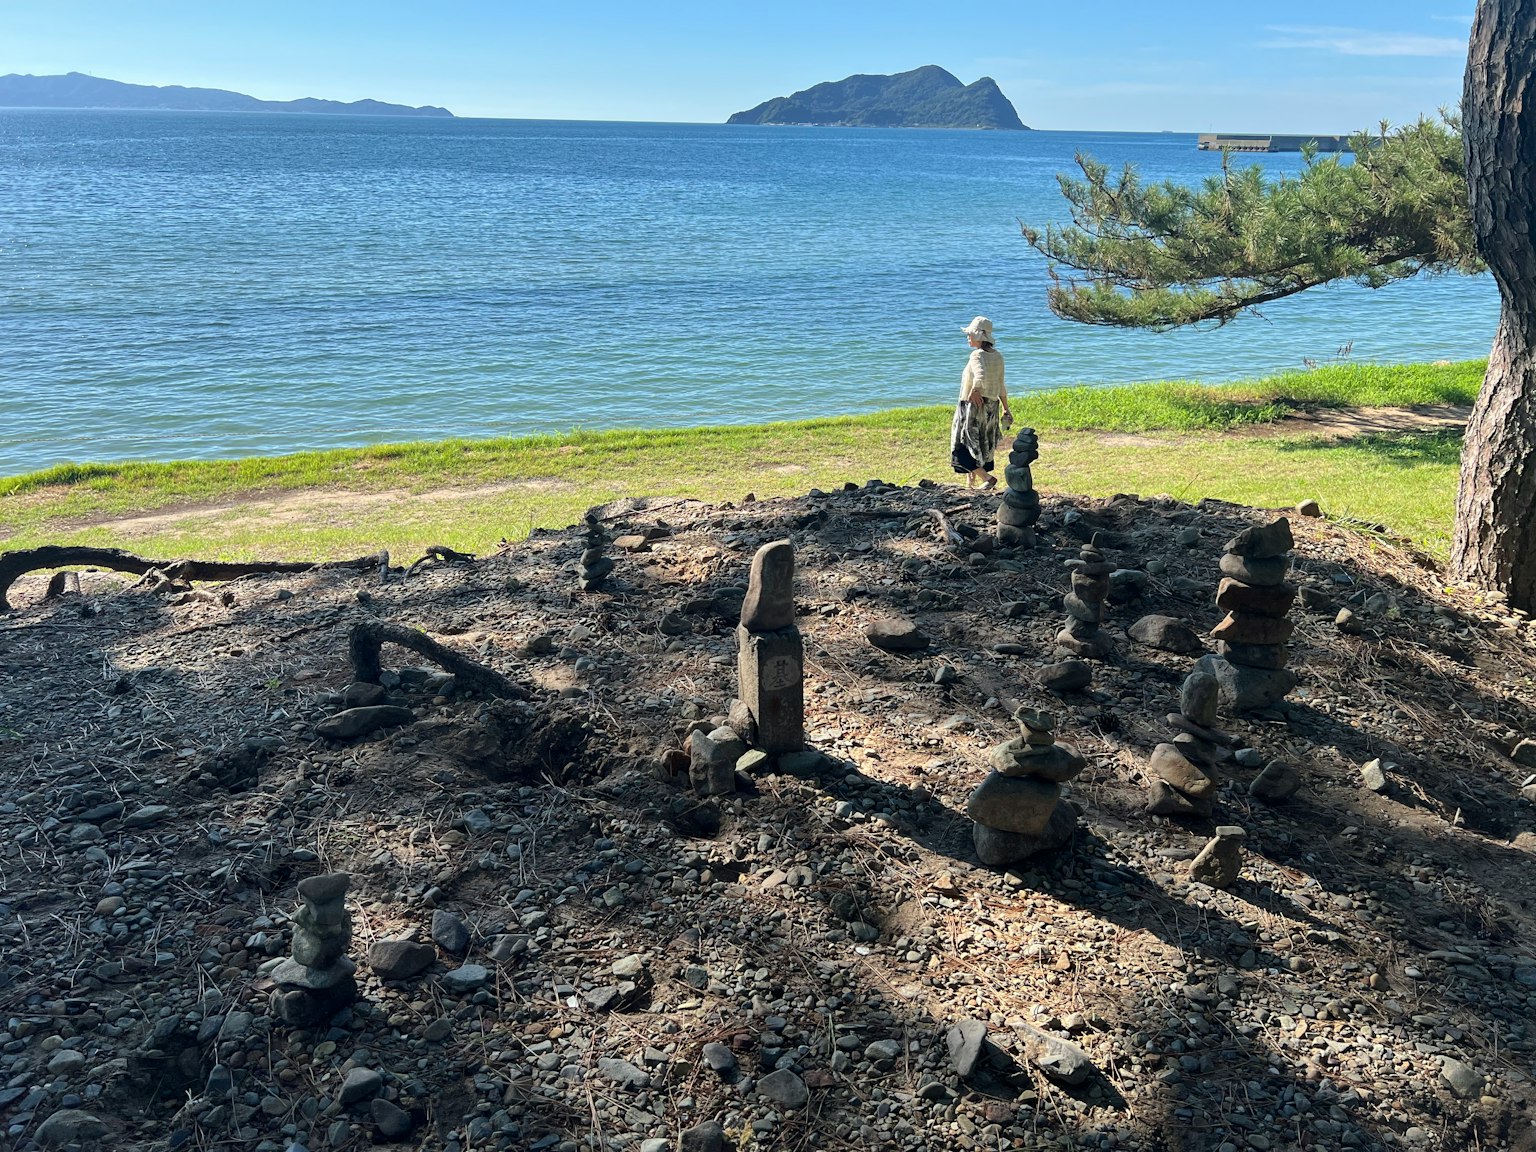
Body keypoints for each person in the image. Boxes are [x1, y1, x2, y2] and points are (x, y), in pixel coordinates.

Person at [949, 316, 1011, 489]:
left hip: (973, 406)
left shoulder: (976, 355)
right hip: (992, 406)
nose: (968, 337)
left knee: (962, 443)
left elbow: (980, 376)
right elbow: (1001, 384)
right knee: (982, 444)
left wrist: (975, 390)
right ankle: (971, 482)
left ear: (979, 336)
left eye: (970, 334)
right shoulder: (998, 356)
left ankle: (987, 478)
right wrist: (1006, 408)